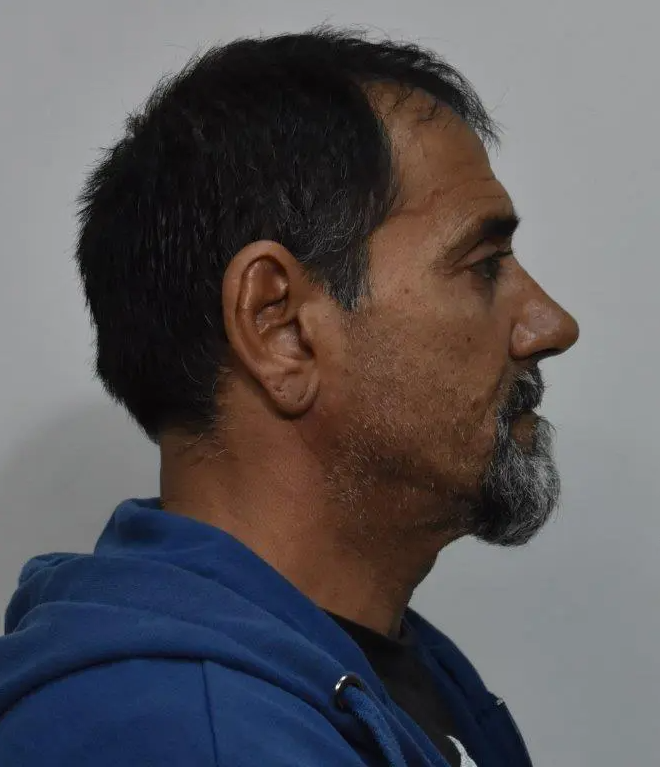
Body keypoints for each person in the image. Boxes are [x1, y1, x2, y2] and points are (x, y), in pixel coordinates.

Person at [0, 27, 579, 767]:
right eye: (484, 264)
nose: (551, 325)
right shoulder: (189, 736)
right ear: (279, 328)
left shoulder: (381, 669)